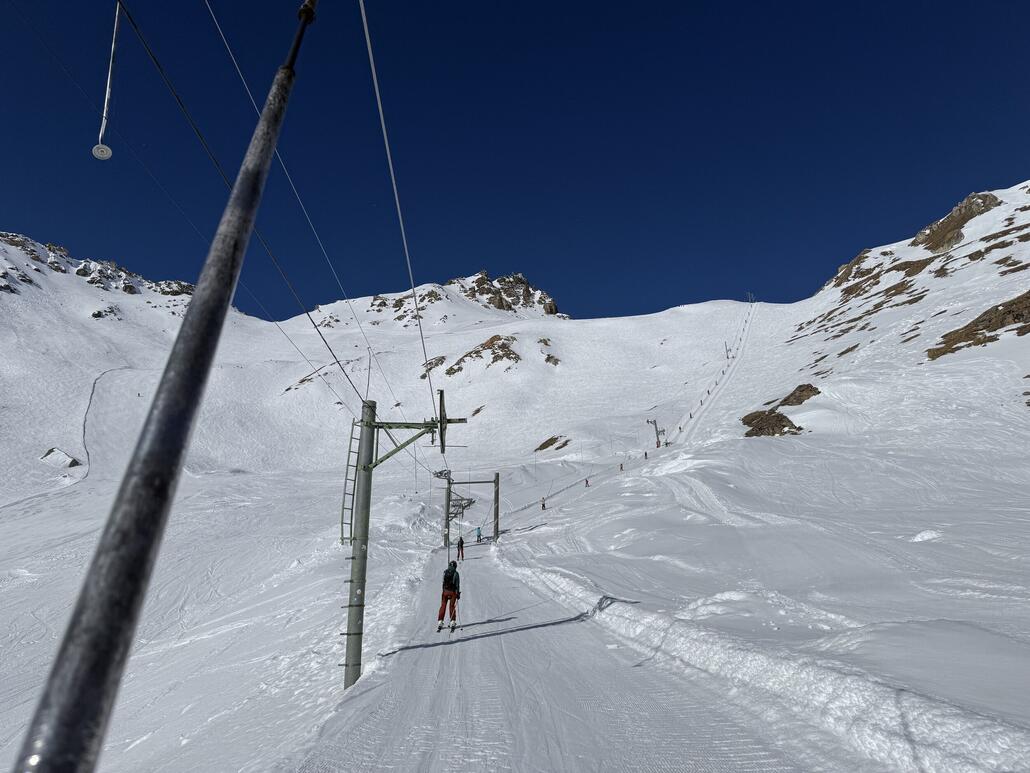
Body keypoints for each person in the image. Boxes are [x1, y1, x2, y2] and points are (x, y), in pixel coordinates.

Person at [437, 560, 460, 631]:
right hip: (453, 592)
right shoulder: (456, 573)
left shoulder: (445, 572)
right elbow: (457, 585)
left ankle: (440, 621)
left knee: (443, 605)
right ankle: (452, 622)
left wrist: (444, 591)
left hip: (445, 592)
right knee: (452, 606)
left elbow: (443, 582)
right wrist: (458, 594)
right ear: (455, 566)